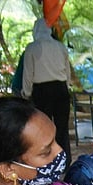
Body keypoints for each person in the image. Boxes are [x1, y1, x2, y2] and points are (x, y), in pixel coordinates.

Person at [22, 18, 72, 165]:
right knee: (62, 128)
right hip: (61, 89)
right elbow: (67, 72)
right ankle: (65, 161)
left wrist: (26, 93)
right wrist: (66, 87)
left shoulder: (32, 47)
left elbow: (28, 73)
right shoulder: (60, 47)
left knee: (43, 128)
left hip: (41, 91)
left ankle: (48, 162)